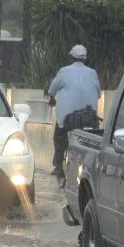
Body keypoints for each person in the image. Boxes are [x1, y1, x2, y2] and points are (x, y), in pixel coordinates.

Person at [46, 44, 101, 182]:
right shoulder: (92, 73)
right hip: (89, 118)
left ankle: (58, 165)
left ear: (71, 57)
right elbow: (98, 94)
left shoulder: (64, 71)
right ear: (85, 59)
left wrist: (52, 99)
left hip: (68, 119)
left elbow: (52, 90)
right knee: (91, 143)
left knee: (59, 137)